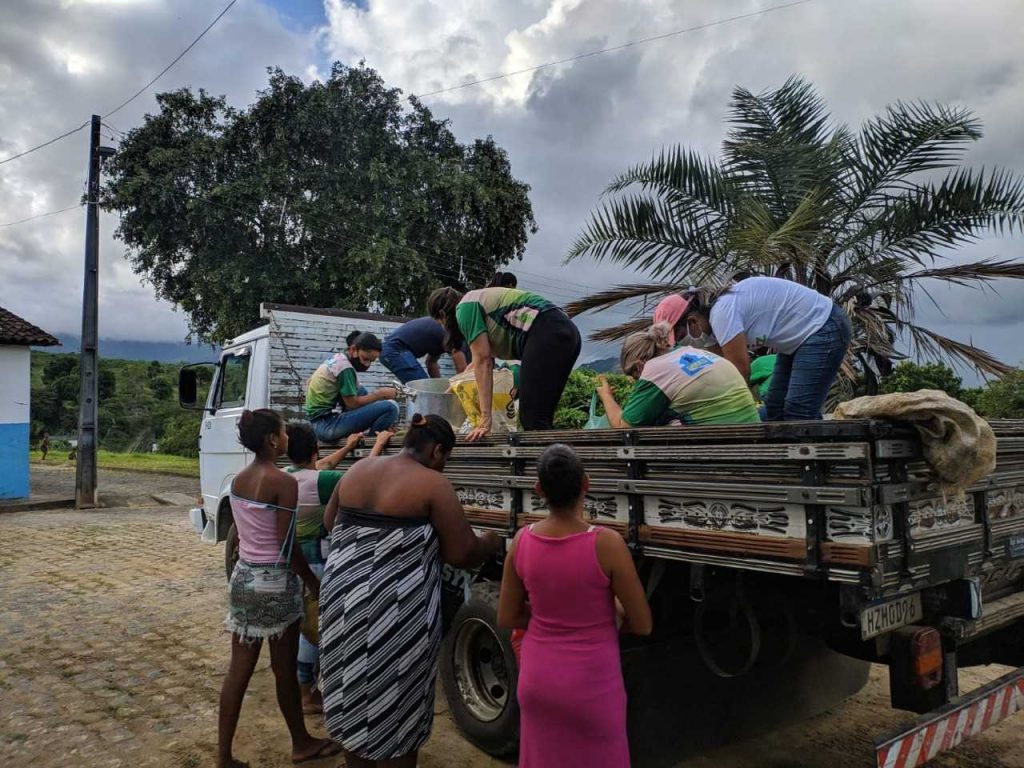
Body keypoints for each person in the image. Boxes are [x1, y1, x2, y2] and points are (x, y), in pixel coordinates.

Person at [318, 414, 502, 767]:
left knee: (351, 693)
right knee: (398, 709)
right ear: (436, 451)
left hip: (342, 606)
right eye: (446, 458)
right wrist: (491, 541)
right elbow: (462, 553)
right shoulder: (433, 485)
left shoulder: (358, 470)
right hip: (396, 619)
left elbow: (331, 524)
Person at [497, 444, 652, 768]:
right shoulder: (606, 544)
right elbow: (643, 624)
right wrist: (612, 612)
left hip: (538, 682)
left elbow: (508, 615)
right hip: (592, 686)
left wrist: (548, 616)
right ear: (587, 483)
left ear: (538, 489)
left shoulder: (522, 541)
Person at [218, 409, 339, 768]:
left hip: (244, 579)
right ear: (273, 440)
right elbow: (288, 548)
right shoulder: (282, 483)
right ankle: (300, 743)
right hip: (274, 583)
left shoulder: (239, 480)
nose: (287, 437)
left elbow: (243, 534)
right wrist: (314, 583)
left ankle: (223, 755)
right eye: (283, 432)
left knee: (238, 670)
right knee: (283, 669)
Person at [284, 425, 394, 714]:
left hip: (292, 560)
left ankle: (302, 685)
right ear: (314, 450)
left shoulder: (286, 475)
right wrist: (379, 443)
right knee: (313, 629)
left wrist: (347, 446)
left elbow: (321, 465)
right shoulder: (324, 482)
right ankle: (307, 692)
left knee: (301, 624)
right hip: (317, 564)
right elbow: (360, 477)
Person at [678, 277, 852, 421]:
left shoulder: (721, 312)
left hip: (823, 326)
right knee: (775, 408)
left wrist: (719, 411)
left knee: (799, 411)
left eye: (681, 336)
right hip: (797, 340)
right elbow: (719, 371)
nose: (686, 342)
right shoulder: (712, 329)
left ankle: (815, 461)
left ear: (692, 321)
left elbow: (739, 372)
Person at [428, 286, 581, 438]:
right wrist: (453, 386)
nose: (444, 328)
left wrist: (485, 420)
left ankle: (553, 461)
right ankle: (561, 459)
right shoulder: (477, 302)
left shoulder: (465, 308)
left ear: (442, 314)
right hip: (566, 332)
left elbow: (483, 362)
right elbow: (477, 363)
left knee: (532, 419)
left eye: (440, 323)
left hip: (548, 330)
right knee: (540, 418)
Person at [597, 324, 761, 428]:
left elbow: (623, 426)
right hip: (750, 438)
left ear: (640, 365)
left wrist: (606, 396)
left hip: (725, 450)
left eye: (635, 377)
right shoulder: (694, 352)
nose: (637, 383)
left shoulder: (654, 369)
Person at [303, 332, 399, 442]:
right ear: (353, 350)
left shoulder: (338, 359)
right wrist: (380, 394)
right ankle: (371, 443)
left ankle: (379, 428)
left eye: (371, 362)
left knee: (360, 390)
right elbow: (352, 404)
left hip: (320, 422)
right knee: (391, 407)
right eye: (365, 359)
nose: (367, 365)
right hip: (326, 425)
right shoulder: (345, 368)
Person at [380, 316, 469, 384]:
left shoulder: (439, 338)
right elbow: (462, 373)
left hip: (390, 349)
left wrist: (439, 387)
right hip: (395, 349)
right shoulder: (456, 333)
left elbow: (431, 364)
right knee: (423, 390)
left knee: (424, 390)